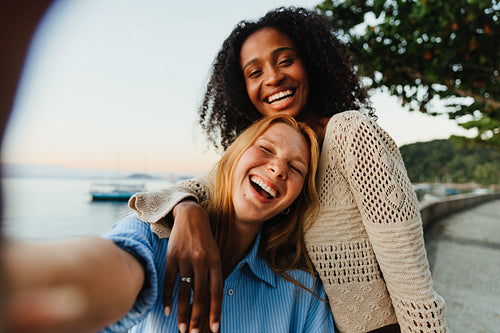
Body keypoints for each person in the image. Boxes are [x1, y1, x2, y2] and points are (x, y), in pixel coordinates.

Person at [129, 6, 448, 333]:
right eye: (254, 73)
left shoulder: (350, 133)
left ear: (311, 64)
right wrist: (187, 210)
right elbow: (177, 194)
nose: (272, 77)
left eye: (285, 61)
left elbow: (412, 282)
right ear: (242, 91)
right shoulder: (265, 164)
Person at [4, 115, 334, 333]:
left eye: (296, 169)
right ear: (233, 158)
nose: (278, 169)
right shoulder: (152, 235)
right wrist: (27, 279)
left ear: (293, 202)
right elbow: (111, 266)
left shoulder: (303, 291)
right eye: (265, 148)